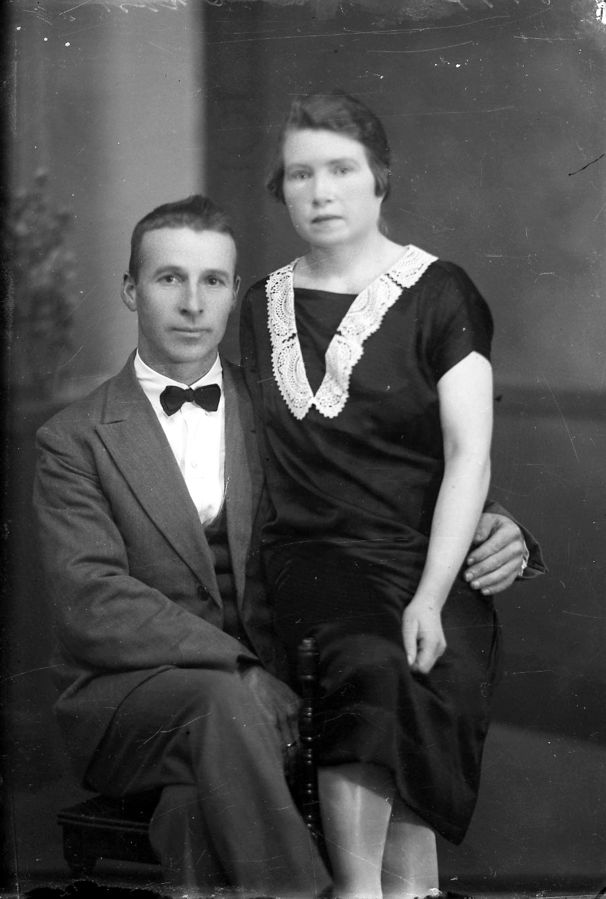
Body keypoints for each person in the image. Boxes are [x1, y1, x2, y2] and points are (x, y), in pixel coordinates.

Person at [239, 91, 545, 899]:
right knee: (375, 665)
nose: (320, 191)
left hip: (423, 561)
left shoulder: (442, 292)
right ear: (281, 187)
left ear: (380, 178)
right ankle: (360, 889)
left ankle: (391, 892)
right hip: (310, 565)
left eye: (341, 169)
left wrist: (432, 595)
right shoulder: (259, 306)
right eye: (300, 173)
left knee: (417, 661)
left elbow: (468, 454)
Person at [33, 195, 332, 898]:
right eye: (170, 278)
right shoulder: (73, 439)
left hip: (266, 706)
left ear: (233, 292)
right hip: (126, 707)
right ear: (131, 290)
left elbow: (377, 478)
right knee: (218, 702)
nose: (193, 304)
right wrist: (240, 668)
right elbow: (92, 604)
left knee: (193, 809)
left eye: (212, 281)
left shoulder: (277, 407)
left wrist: (486, 518)